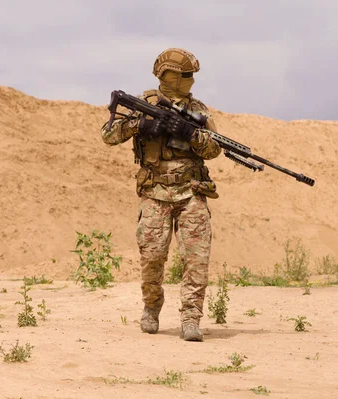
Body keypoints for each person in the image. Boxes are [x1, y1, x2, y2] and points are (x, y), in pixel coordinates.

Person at [100, 48, 221, 342]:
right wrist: (141, 124)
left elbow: (215, 149)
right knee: (152, 257)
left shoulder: (199, 111)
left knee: (196, 260)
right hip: (154, 192)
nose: (190, 80)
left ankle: (191, 318)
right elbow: (109, 135)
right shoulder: (143, 105)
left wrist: (193, 135)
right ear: (168, 76)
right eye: (184, 75)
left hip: (191, 192)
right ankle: (151, 307)